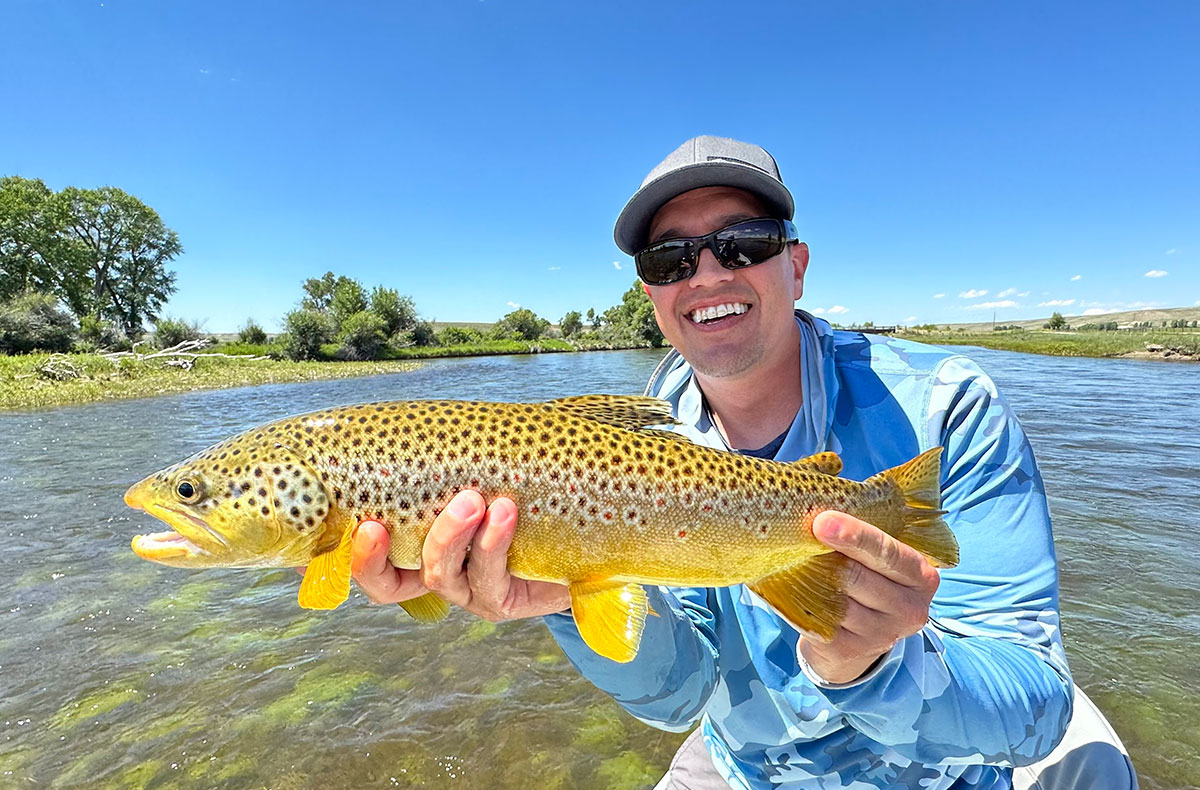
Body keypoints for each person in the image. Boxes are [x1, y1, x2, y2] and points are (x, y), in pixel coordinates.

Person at [347, 136, 1137, 789]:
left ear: (795, 264)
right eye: (670, 260)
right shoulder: (634, 448)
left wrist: (870, 665)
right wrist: (561, 599)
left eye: (743, 244)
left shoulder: (944, 409)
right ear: (651, 293)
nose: (708, 274)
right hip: (751, 767)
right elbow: (681, 690)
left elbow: (1037, 712)